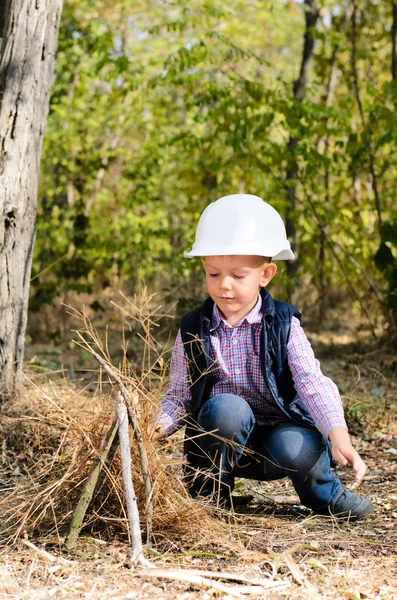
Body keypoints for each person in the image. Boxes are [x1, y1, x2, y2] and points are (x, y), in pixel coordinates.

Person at [148, 194, 374, 519]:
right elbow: (180, 396)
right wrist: (155, 427)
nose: (224, 285)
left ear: (266, 274)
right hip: (222, 442)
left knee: (296, 446)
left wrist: (339, 436)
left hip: (279, 443)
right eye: (213, 274)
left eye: (238, 276)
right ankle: (210, 503)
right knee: (226, 408)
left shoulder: (283, 324)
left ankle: (326, 495)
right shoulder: (193, 329)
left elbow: (312, 382)